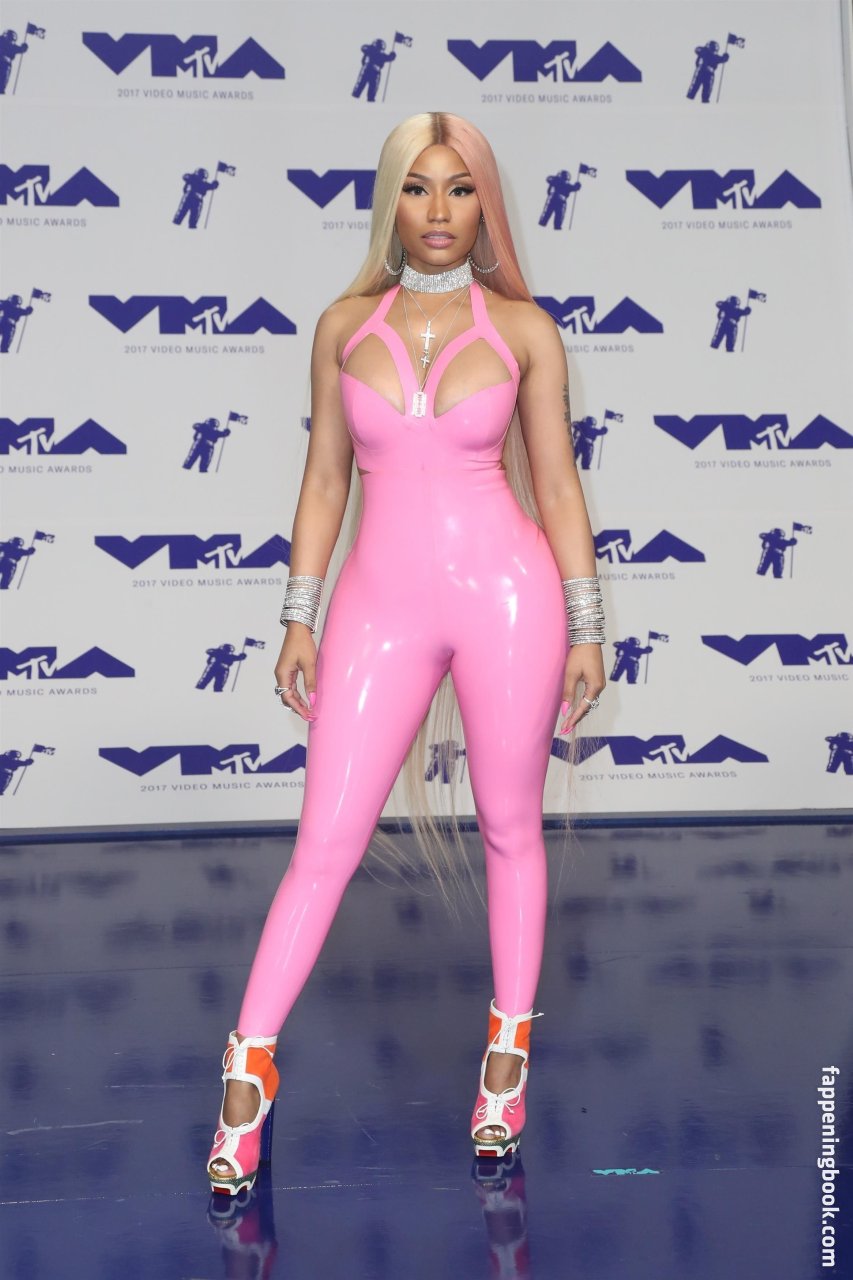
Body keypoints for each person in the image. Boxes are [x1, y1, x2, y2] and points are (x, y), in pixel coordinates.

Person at [206, 112, 607, 1195]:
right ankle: (248, 1070)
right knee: (323, 844)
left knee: (511, 827)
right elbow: (324, 480)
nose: (438, 210)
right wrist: (298, 615)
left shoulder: (525, 331)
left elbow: (556, 483)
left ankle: (506, 1055)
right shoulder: (343, 325)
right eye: (419, 188)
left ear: (485, 204)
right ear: (391, 202)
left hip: (508, 601)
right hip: (376, 608)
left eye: (460, 188)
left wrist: (584, 623)